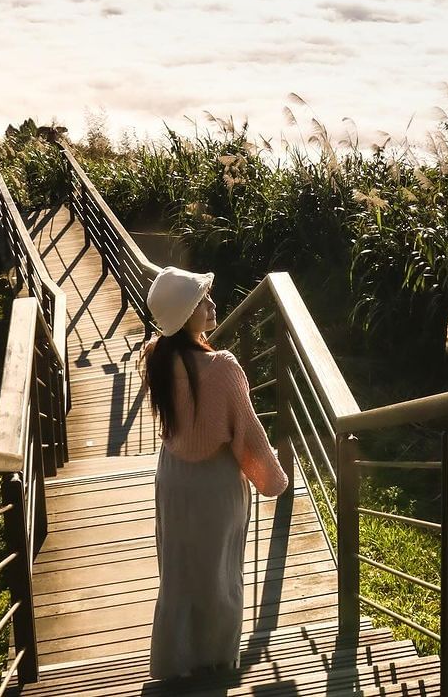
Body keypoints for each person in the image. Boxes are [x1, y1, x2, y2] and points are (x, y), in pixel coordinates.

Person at [143, 266, 288, 682]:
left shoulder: (156, 356)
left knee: (178, 571)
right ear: (186, 313)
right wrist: (273, 481)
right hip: (215, 485)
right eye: (202, 300)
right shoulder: (222, 367)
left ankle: (174, 660)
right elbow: (248, 435)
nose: (211, 304)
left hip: (172, 478)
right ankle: (215, 660)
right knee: (220, 573)